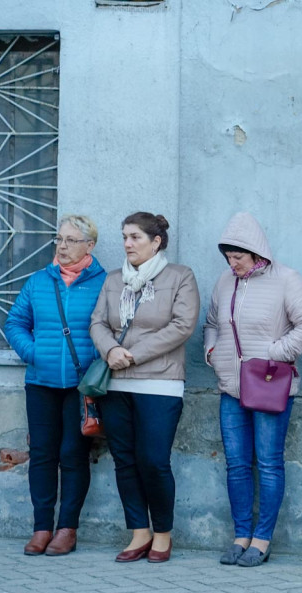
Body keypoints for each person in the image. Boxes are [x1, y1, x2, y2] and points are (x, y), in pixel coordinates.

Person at [203, 212, 302, 567]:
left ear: (256, 253)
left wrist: (275, 353)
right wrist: (211, 351)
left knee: (268, 464)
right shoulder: (225, 282)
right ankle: (240, 535)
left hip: (269, 386)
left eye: (238, 257)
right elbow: (212, 323)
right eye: (228, 257)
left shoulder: (287, 279)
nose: (232, 263)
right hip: (231, 388)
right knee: (237, 465)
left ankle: (262, 539)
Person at [90, 212, 200, 564]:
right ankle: (139, 532)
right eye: (124, 236)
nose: (127, 244)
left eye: (135, 237)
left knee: (153, 460)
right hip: (116, 385)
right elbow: (97, 322)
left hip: (160, 383)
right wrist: (110, 350)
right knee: (124, 460)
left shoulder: (180, 277)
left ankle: (163, 534)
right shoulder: (112, 280)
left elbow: (182, 326)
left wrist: (132, 355)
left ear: (156, 242)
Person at [5, 215, 106, 556]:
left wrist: (96, 363)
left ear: (88, 246)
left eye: (70, 240)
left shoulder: (104, 283)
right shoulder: (38, 282)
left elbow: (112, 328)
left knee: (73, 454)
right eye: (59, 239)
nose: (62, 246)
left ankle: (67, 529)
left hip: (81, 386)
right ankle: (41, 528)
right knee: (43, 454)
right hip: (41, 382)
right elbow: (15, 322)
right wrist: (34, 353)